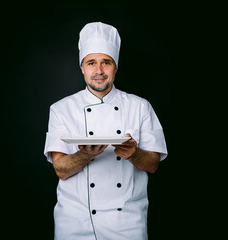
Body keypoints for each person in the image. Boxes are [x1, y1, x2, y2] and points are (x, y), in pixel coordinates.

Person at [44, 22, 168, 240]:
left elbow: (153, 164)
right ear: (82, 67)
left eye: (106, 63)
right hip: (75, 222)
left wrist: (134, 154)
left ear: (116, 67)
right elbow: (60, 170)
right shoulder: (61, 109)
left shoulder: (140, 107)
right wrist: (85, 154)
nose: (99, 71)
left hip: (127, 223)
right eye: (91, 63)